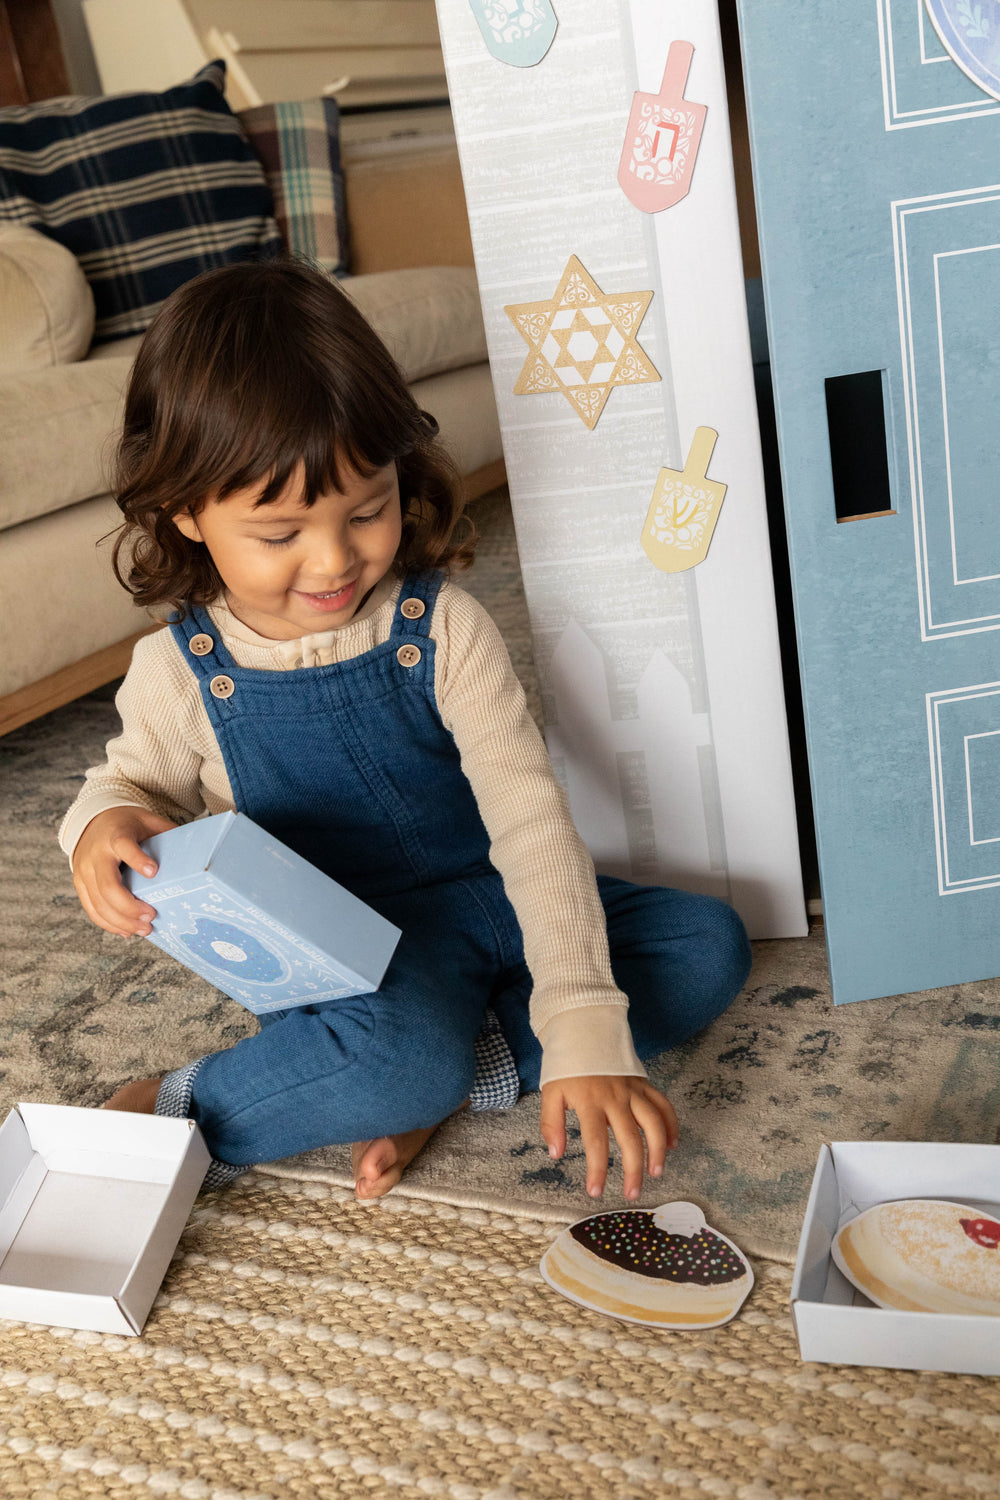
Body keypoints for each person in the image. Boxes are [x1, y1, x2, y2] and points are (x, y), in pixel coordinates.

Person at [60, 259, 751, 1200]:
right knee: (398, 1058)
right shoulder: (181, 671)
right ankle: (175, 1106)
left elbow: (530, 818)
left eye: (367, 509)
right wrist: (100, 826)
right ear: (186, 513)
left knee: (704, 943)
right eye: (280, 535)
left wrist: (584, 1018)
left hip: (491, 897)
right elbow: (125, 785)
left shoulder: (444, 628)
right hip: (351, 954)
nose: (336, 558)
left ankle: (463, 1071)